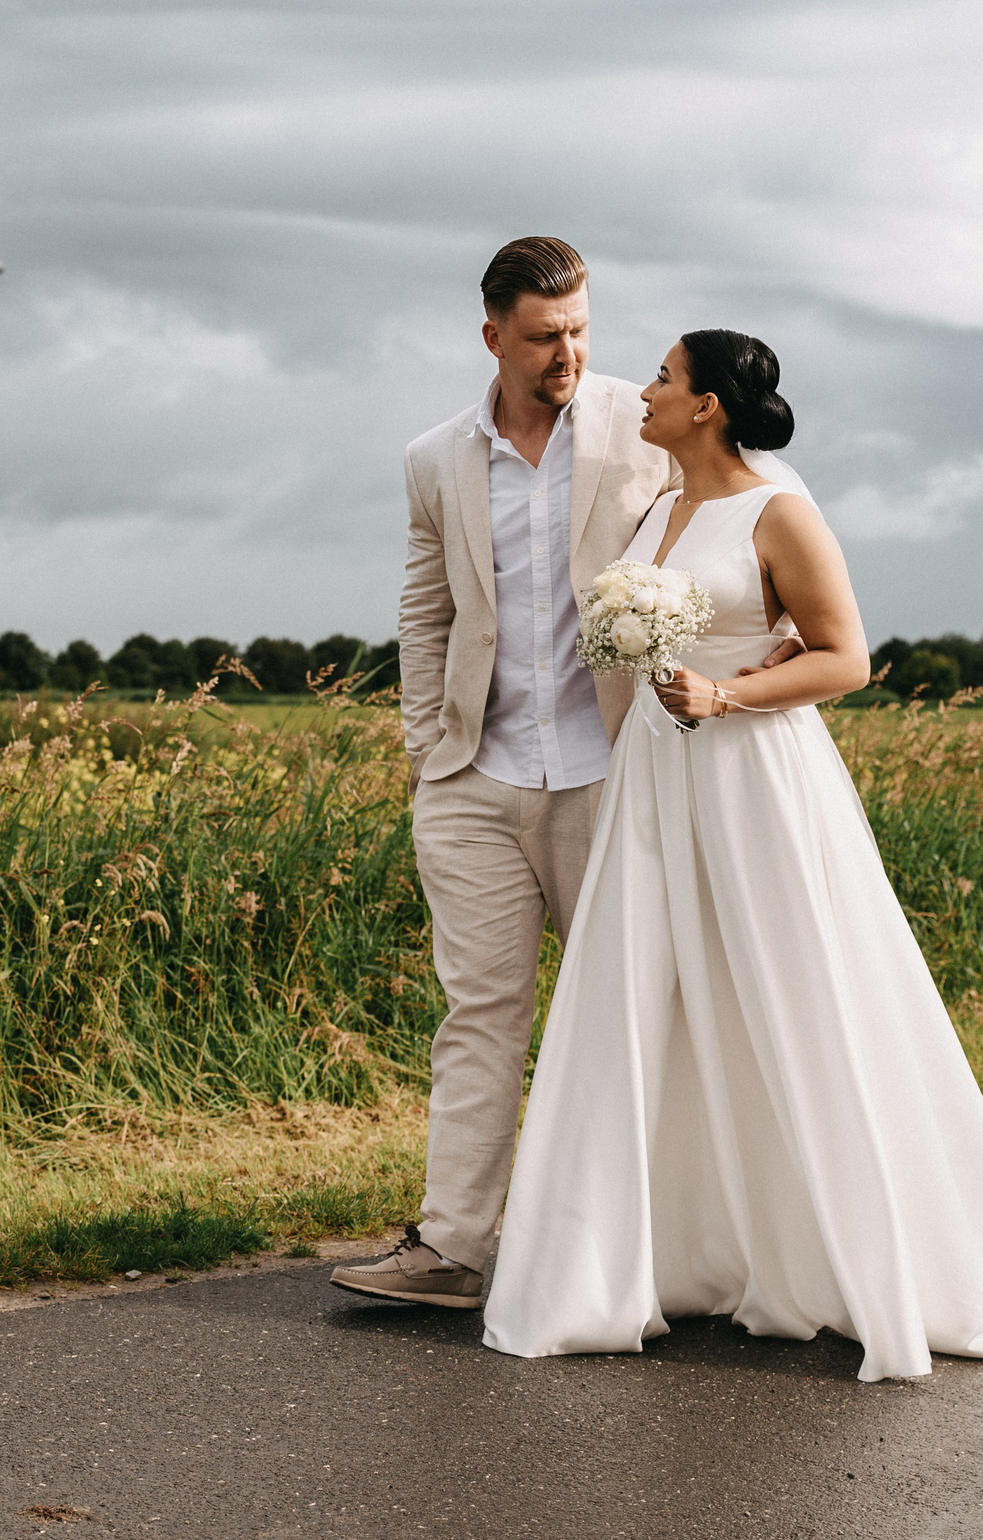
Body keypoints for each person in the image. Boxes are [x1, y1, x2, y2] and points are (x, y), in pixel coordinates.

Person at [477, 328, 983, 1379]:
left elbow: (848, 656)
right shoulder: (658, 507)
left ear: (706, 405)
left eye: (662, 375)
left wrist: (727, 690)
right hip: (659, 775)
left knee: (789, 991)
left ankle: (842, 1244)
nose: (644, 390)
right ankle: (672, 1248)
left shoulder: (779, 509)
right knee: (655, 1000)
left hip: (751, 776)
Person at [332, 239, 793, 1307]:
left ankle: (645, 1248)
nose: (569, 354)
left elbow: (753, 518)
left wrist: (760, 649)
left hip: (617, 773)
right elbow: (423, 609)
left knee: (639, 1011)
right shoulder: (434, 458)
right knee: (478, 1012)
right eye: (544, 337)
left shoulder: (653, 422)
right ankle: (449, 1246)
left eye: (581, 328)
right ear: (492, 336)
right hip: (474, 780)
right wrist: (423, 756)